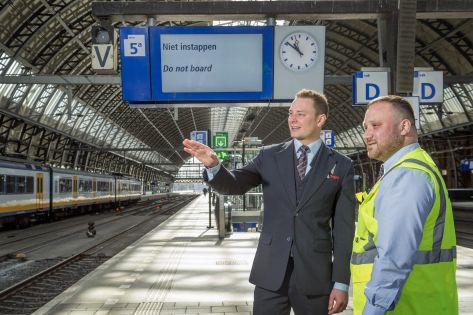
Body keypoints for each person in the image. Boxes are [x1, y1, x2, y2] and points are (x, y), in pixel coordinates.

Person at [183, 89, 356, 315]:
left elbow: (344, 230)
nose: (292, 120)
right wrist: (214, 166)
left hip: (315, 274)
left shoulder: (341, 165)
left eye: (301, 114)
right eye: (290, 113)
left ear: (320, 119)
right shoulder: (269, 156)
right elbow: (235, 184)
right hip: (271, 272)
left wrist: (341, 283)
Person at [351, 95, 458, 315]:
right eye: (365, 128)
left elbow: (393, 257)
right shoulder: (414, 167)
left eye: (376, 126)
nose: (367, 135)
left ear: (404, 127)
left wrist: (373, 310)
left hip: (407, 307)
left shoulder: (407, 176)